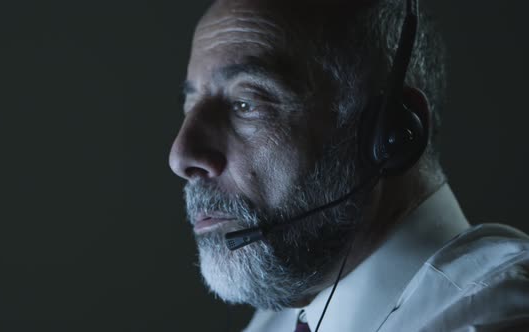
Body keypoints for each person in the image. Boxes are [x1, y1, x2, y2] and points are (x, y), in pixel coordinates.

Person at [168, 0, 529, 331]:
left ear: (391, 134)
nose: (181, 156)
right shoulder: (280, 319)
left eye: (246, 103)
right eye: (190, 105)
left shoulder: (499, 313)